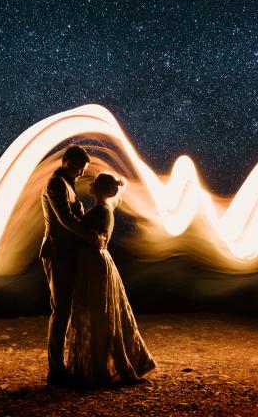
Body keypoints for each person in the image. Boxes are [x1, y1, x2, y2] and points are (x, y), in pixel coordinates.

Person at [65, 172, 156, 386]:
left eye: (95, 182)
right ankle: (98, 365)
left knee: (98, 312)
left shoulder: (101, 210)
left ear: (102, 189)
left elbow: (79, 231)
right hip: (95, 260)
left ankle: (98, 369)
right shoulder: (104, 209)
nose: (91, 184)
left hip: (93, 262)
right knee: (100, 311)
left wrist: (75, 214)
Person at [39, 145, 105, 387]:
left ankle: (62, 367)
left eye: (83, 169)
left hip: (67, 253)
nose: (80, 172)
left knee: (65, 309)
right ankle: (55, 371)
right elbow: (65, 219)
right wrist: (91, 238)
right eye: (78, 167)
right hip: (57, 253)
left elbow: (73, 220)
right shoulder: (55, 184)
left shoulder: (66, 184)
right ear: (66, 161)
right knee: (61, 310)